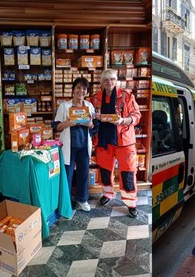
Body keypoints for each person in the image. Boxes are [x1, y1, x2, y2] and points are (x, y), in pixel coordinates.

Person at [92, 69, 142, 218]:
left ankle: (131, 202)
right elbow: (90, 116)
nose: (110, 82)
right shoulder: (95, 98)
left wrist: (123, 120)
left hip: (124, 141)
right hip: (104, 140)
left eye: (112, 79)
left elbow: (136, 115)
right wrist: (95, 117)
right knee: (105, 170)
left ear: (117, 80)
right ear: (102, 82)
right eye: (106, 80)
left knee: (127, 172)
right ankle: (108, 193)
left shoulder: (127, 96)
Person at [53, 77, 96, 212]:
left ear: (87, 91)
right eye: (78, 87)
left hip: (84, 145)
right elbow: (56, 127)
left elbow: (94, 127)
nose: (81, 91)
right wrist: (67, 123)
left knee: (83, 174)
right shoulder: (64, 106)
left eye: (84, 88)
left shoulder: (89, 106)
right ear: (73, 90)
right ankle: (66, 202)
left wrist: (90, 124)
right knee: (68, 174)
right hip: (69, 146)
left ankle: (82, 199)